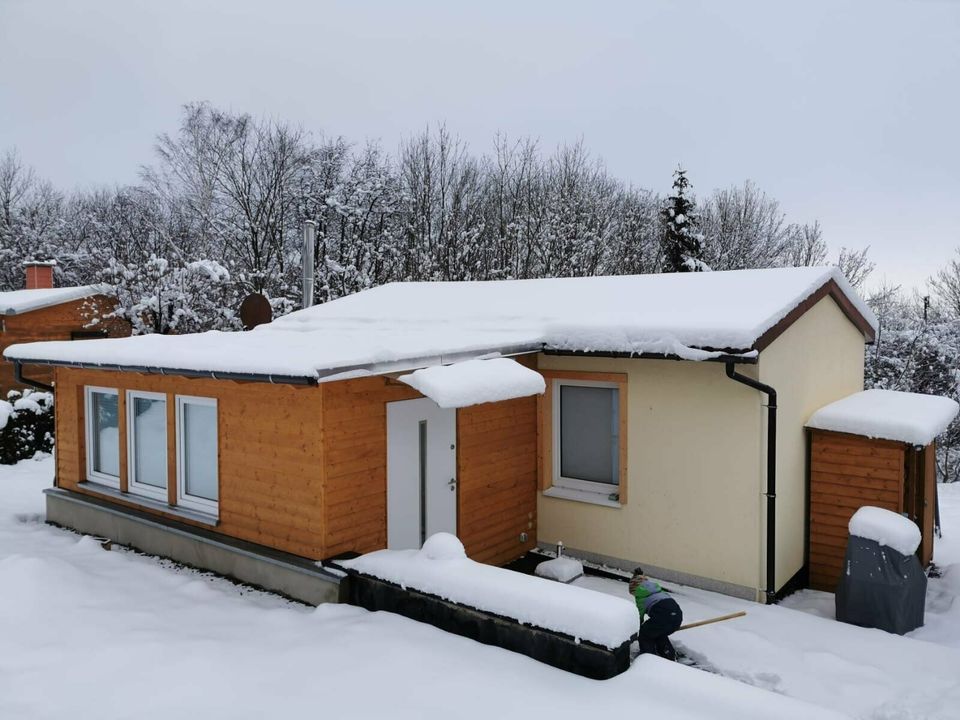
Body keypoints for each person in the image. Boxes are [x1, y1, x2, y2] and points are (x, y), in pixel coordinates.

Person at [629, 567, 683, 661]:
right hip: (677, 616)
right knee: (657, 632)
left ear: (635, 589)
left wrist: (635, 631)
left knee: (645, 633)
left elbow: (639, 616)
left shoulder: (640, 596)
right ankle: (669, 655)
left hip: (664, 616)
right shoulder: (658, 591)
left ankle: (648, 658)